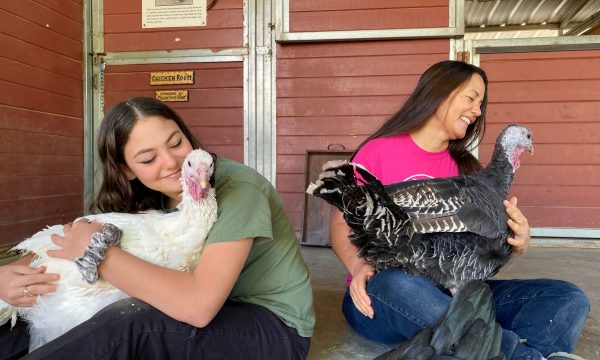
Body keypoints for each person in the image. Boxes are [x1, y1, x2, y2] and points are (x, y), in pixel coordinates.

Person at [0, 97, 314, 359]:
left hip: (271, 330)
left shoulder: (237, 188)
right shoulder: (147, 194)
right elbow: (75, 238)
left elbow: (198, 306)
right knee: (36, 311)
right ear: (126, 170)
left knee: (132, 321)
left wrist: (96, 253)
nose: (171, 162)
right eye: (148, 159)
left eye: (176, 142)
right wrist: (11, 277)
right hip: (183, 305)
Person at [330, 60, 589, 360]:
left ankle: (470, 347)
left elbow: (479, 248)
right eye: (471, 98)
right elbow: (341, 223)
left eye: (481, 103)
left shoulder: (466, 168)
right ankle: (517, 355)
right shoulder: (379, 151)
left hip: (452, 291)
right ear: (440, 92)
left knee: (566, 299)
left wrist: (514, 243)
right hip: (383, 295)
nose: (477, 111)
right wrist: (357, 266)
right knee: (400, 284)